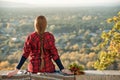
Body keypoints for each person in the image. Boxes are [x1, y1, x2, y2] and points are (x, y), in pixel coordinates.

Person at [7, 15, 73, 77]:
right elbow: (54, 55)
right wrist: (62, 69)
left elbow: (25, 54)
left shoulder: (31, 37)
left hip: (33, 70)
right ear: (45, 25)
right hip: (49, 69)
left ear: (35, 25)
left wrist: (16, 70)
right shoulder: (49, 37)